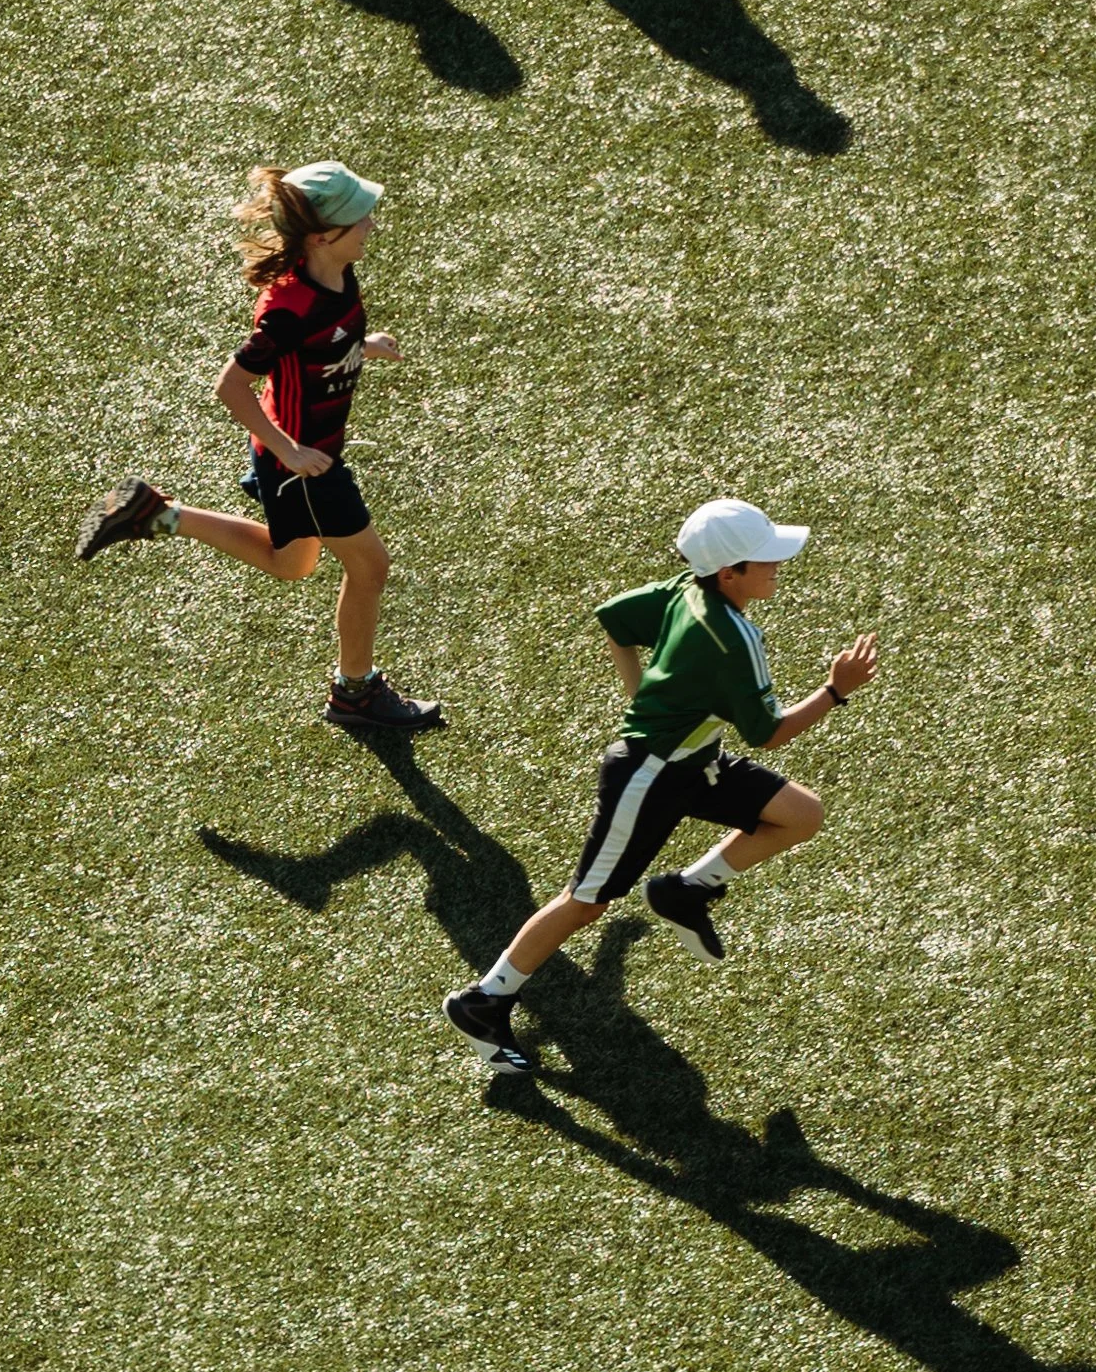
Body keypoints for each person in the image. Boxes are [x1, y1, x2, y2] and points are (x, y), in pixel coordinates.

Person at [443, 500, 879, 1071]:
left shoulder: (684, 590)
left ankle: (685, 890)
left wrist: (640, 696)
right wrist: (835, 691)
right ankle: (484, 1001)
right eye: (766, 559)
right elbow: (769, 734)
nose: (778, 566)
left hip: (692, 762)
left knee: (800, 814)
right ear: (730, 573)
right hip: (649, 777)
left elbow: (615, 620)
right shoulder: (733, 637)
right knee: (585, 903)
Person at [75, 160, 445, 735]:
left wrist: (360, 347)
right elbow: (232, 385)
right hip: (305, 464)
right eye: (359, 218)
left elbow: (316, 350)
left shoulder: (336, 274)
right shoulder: (290, 307)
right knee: (371, 567)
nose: (371, 223)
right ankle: (356, 692)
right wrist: (289, 450)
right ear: (324, 235)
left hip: (302, 457)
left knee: (291, 563)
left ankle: (156, 514)